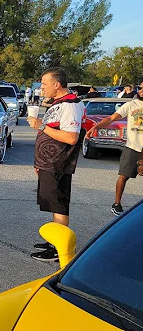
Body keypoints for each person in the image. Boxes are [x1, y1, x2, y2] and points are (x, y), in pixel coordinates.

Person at [26, 68, 84, 262]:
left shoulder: (70, 105)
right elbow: (54, 129)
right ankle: (54, 241)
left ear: (56, 84)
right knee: (53, 203)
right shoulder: (58, 104)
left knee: (59, 206)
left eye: (44, 84)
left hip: (58, 163)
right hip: (48, 163)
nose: (41, 88)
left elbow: (71, 137)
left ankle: (60, 250)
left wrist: (40, 126)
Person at [85, 82, 143, 216]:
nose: (141, 91)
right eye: (140, 88)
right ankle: (117, 204)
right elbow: (111, 118)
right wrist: (96, 127)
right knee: (123, 176)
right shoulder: (131, 105)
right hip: (132, 147)